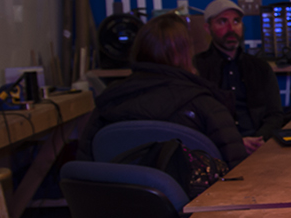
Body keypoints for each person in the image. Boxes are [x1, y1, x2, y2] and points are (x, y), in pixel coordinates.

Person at [78, 13, 247, 165]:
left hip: (118, 198)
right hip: (195, 199)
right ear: (185, 53)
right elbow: (237, 170)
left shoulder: (108, 100)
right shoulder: (207, 105)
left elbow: (85, 168)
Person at [193, 0, 285, 153]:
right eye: (222, 22)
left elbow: (275, 114)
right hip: (218, 148)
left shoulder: (260, 67)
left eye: (236, 21)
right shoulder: (196, 68)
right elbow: (196, 120)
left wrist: (260, 139)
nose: (231, 28)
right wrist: (234, 142)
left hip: (260, 145)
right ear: (208, 29)